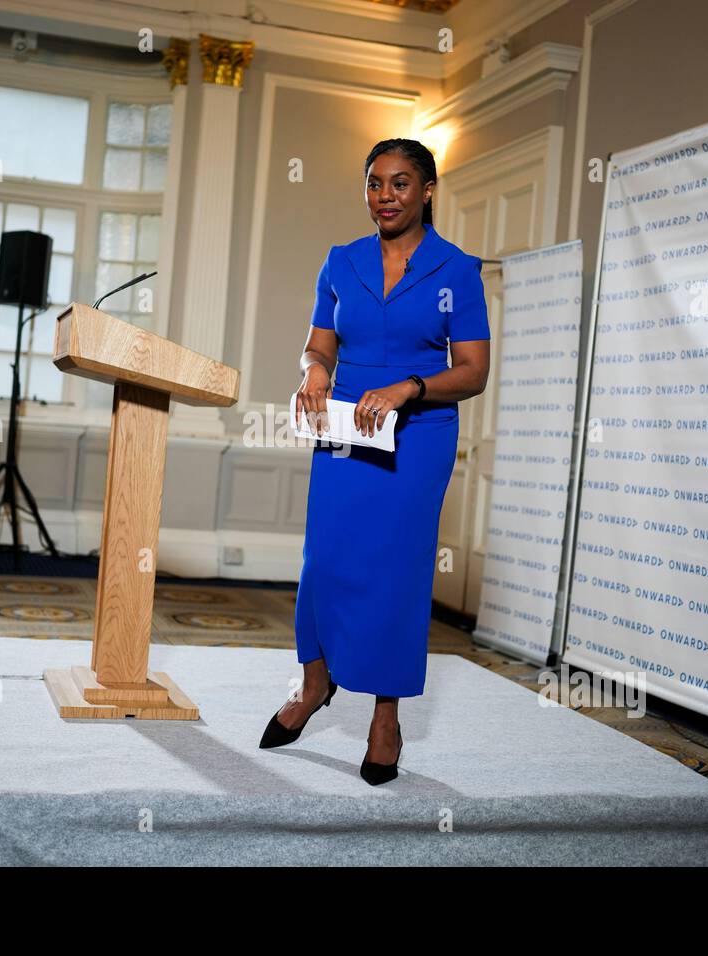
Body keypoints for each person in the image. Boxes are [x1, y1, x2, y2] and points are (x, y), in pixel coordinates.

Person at [259, 138, 491, 786]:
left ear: (426, 192)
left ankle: (385, 717)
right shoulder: (341, 262)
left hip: (417, 438)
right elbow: (318, 346)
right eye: (373, 184)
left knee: (397, 571)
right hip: (345, 430)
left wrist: (411, 386)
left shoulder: (456, 271)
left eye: (398, 184)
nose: (383, 197)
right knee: (324, 560)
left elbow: (473, 371)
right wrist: (312, 374)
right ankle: (314, 685)